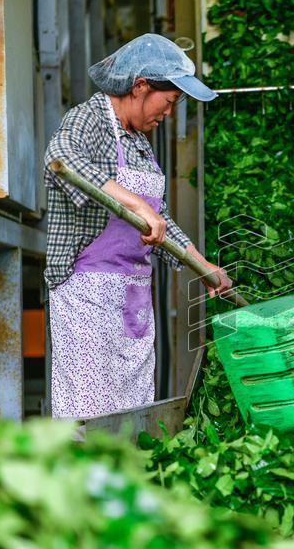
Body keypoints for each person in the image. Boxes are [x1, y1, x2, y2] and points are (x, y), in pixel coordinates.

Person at [43, 33, 232, 418]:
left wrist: (203, 266)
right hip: (88, 292)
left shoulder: (140, 142)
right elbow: (60, 157)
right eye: (170, 101)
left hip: (133, 293)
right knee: (89, 410)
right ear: (140, 86)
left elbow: (160, 220)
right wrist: (135, 203)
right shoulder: (90, 117)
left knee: (134, 408)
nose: (169, 113)